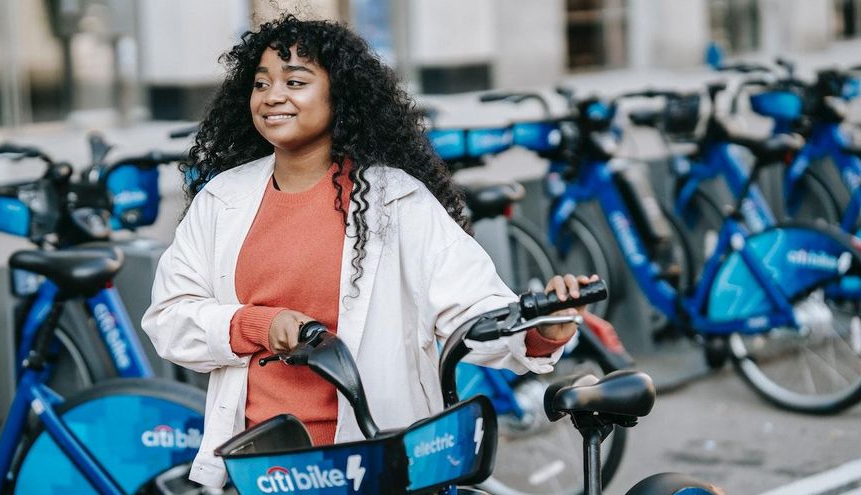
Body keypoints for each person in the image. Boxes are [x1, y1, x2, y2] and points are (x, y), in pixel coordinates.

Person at [142, 13, 599, 488]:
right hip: (262, 471)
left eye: (295, 81)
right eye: (261, 84)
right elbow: (169, 318)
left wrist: (542, 330)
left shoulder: (394, 200)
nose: (273, 96)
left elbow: (472, 309)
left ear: (340, 96)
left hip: (371, 462)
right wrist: (256, 324)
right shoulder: (223, 200)